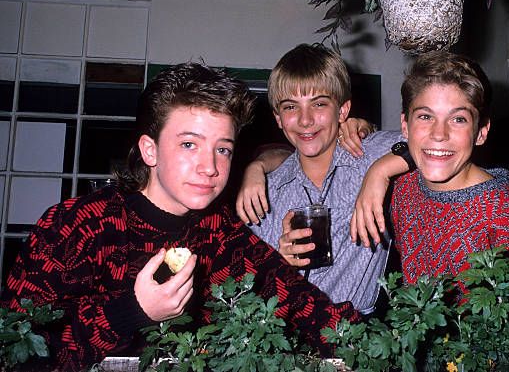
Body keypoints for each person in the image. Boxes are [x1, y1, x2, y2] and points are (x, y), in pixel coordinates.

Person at [0, 61, 360, 372]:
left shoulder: (220, 232)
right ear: (150, 150)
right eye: (189, 144)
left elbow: (301, 304)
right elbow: (16, 348)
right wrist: (133, 310)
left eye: (222, 149)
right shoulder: (76, 226)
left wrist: (370, 342)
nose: (210, 167)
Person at [235, 43, 404, 314]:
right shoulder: (265, 192)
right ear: (278, 118)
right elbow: (245, 290)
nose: (305, 120)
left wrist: (379, 171)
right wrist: (276, 265)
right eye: (291, 107)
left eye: (319, 104)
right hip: (289, 330)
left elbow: (431, 141)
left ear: (342, 111)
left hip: (360, 330)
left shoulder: (369, 155)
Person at [349, 50, 509, 284]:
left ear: (481, 132)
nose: (439, 134)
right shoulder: (403, 190)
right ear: (405, 125)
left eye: (458, 119)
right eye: (425, 116)